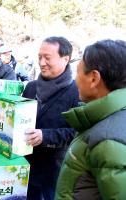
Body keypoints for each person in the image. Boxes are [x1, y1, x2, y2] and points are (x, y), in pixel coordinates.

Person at [56, 39, 126, 199]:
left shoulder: (107, 142)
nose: (75, 80)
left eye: (78, 73)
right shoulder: (107, 121)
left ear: (94, 78)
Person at [22, 36, 79, 200]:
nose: (41, 62)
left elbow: (78, 132)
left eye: (47, 58)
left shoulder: (76, 92)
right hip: (26, 167)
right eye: (39, 57)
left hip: (54, 171)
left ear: (65, 59)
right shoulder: (31, 88)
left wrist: (46, 136)